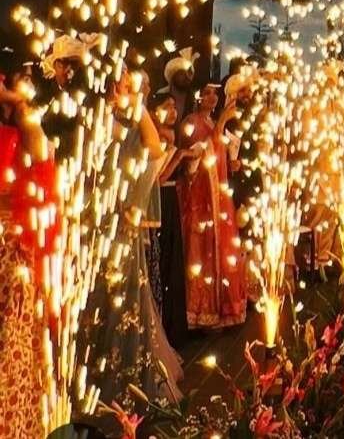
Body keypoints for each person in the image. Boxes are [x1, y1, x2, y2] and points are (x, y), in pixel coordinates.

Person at [85, 67, 182, 411]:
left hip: (121, 216)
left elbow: (154, 150)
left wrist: (137, 107)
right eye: (122, 79)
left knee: (125, 294)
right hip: (94, 214)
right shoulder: (91, 108)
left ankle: (127, 375)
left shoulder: (132, 114)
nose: (126, 84)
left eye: (129, 81)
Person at [0, 67, 56, 439]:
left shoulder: (24, 131)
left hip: (13, 253)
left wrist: (20, 105)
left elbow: (40, 154)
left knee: (12, 340)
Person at [178, 84, 247, 330]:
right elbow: (195, 158)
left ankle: (222, 308)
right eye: (206, 92)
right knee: (201, 251)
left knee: (221, 248)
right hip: (200, 198)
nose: (212, 97)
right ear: (198, 97)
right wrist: (222, 123)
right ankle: (201, 311)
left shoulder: (214, 122)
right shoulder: (191, 122)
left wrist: (233, 163)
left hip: (218, 195)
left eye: (215, 93)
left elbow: (219, 154)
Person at [149, 89, 191, 347]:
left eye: (175, 107)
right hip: (160, 199)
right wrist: (179, 157)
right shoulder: (156, 137)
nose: (173, 112)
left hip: (172, 198)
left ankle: (174, 326)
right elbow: (158, 178)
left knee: (174, 257)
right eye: (167, 107)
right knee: (164, 259)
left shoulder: (171, 135)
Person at [158, 48, 197, 122]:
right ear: (173, 76)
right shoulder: (161, 96)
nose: (187, 77)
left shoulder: (192, 100)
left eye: (189, 74)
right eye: (182, 73)